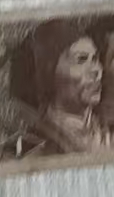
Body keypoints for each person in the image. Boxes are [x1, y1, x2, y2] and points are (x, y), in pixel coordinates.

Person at [13, 20, 104, 155]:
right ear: (50, 72)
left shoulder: (110, 128)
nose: (96, 69)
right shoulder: (32, 147)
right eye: (81, 60)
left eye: (95, 59)